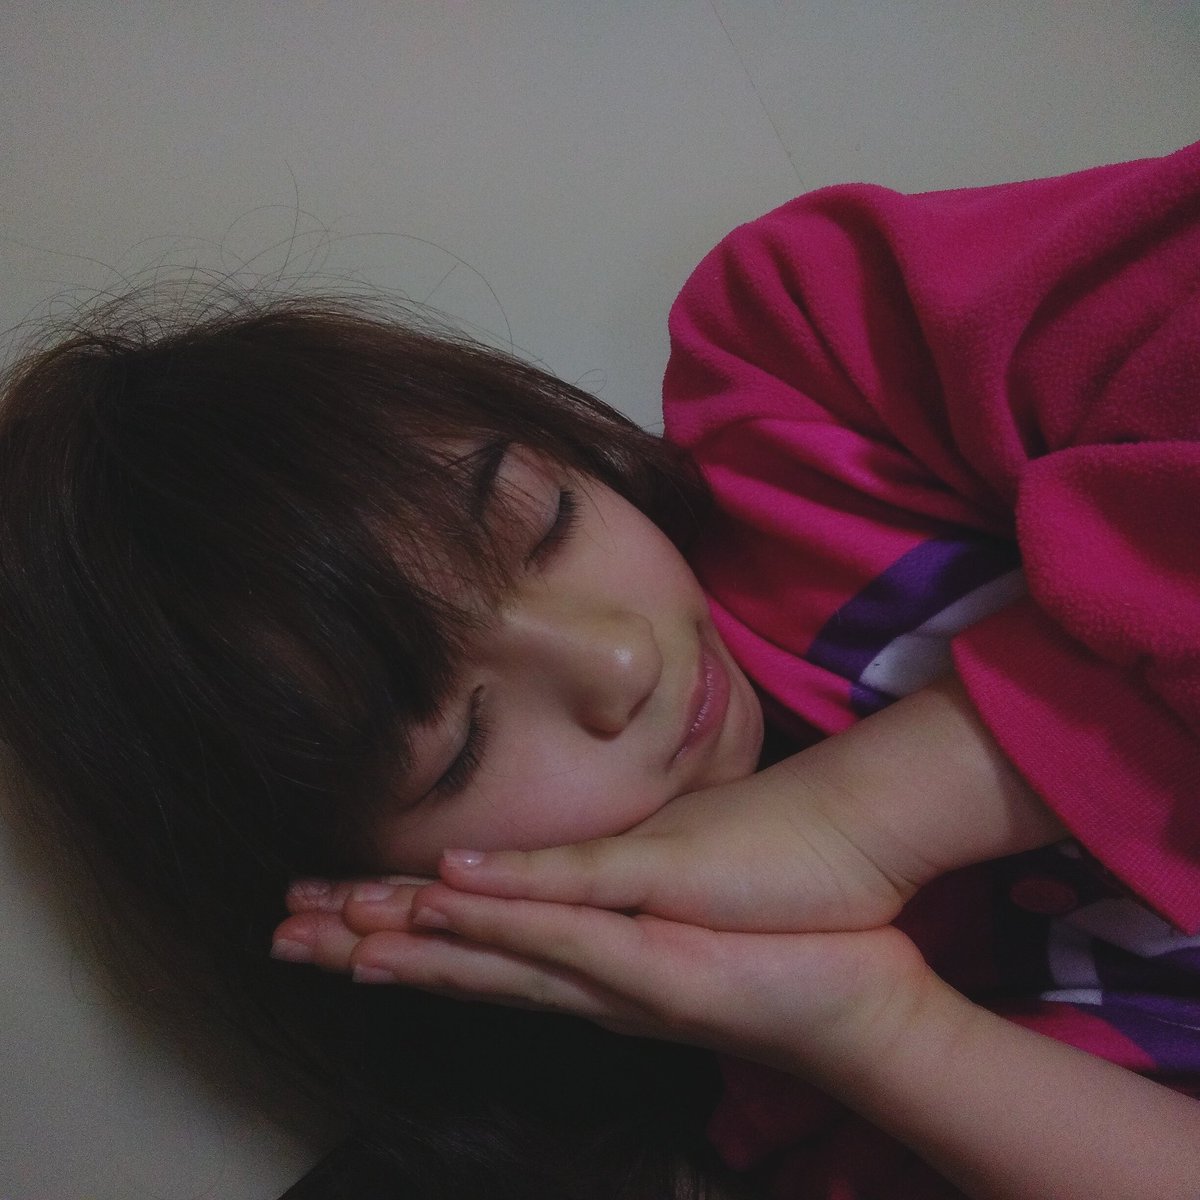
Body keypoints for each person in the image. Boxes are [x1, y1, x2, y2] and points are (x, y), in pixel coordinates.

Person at [1, 140, 1197, 1199]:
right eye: (461, 744)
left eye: (544, 524)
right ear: (373, 883)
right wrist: (892, 1035)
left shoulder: (813, 364)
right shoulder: (775, 1061)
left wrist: (863, 819)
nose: (617, 658)